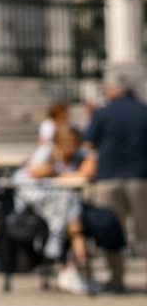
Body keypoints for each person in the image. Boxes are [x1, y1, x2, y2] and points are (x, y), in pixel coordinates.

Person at [16, 126, 122, 294]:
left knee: (85, 221)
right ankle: (79, 270)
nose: (69, 147)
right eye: (65, 143)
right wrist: (55, 166)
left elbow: (86, 174)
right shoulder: (48, 154)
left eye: (73, 143)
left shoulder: (84, 156)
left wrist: (56, 174)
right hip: (47, 207)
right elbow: (35, 172)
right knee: (74, 223)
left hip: (72, 206)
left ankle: (77, 270)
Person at [83, 71, 147, 293]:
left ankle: (116, 279)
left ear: (111, 89)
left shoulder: (102, 112)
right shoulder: (144, 110)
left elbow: (89, 143)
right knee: (146, 233)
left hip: (109, 177)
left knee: (111, 231)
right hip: (141, 177)